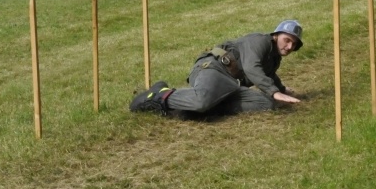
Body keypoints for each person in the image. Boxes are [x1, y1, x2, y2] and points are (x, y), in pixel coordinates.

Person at [129, 20, 303, 118]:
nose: (289, 46)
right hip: (214, 69)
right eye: (287, 40)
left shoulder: (274, 57)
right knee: (201, 101)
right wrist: (273, 91)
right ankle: (160, 95)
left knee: (264, 103)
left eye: (293, 44)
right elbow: (252, 68)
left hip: (232, 85)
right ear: (275, 35)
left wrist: (282, 90)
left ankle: (195, 109)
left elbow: (269, 75)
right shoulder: (260, 41)